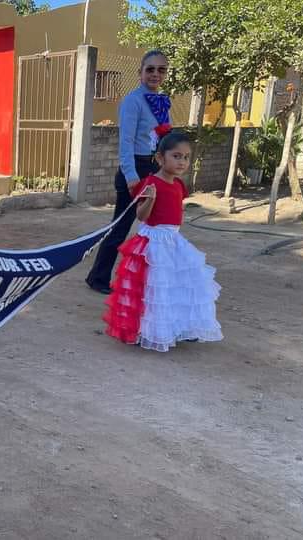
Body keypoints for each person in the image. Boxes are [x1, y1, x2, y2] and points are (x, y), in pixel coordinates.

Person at [103, 132, 223, 351]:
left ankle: (177, 327)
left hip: (173, 240)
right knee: (153, 287)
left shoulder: (178, 185)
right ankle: (148, 330)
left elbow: (176, 210)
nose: (182, 162)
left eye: (186, 157)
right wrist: (152, 198)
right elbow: (141, 216)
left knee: (176, 285)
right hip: (154, 242)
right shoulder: (150, 183)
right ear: (160, 158)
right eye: (176, 156)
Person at [85, 50, 172, 294]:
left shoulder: (162, 102)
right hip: (135, 167)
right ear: (140, 72)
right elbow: (126, 142)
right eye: (150, 69)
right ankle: (98, 278)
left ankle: (151, 282)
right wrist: (131, 176)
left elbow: (164, 137)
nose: (155, 74)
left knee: (156, 227)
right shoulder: (133, 101)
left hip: (155, 166)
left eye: (161, 69)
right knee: (120, 228)